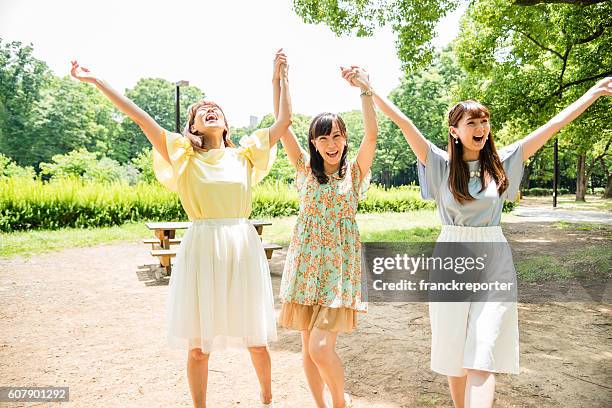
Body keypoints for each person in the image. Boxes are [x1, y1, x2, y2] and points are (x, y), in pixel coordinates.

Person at [368, 76, 612, 407]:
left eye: (484, 120)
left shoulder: (501, 160)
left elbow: (553, 125)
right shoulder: (439, 164)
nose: (481, 126)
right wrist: (370, 89)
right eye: (472, 121)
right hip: (451, 256)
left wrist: (592, 94)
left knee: (482, 351)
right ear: (455, 131)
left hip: (493, 257)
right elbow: (404, 122)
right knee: (453, 350)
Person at [70, 55, 293, 407]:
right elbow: (139, 116)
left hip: (241, 244)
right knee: (199, 346)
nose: (209, 110)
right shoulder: (182, 155)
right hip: (202, 245)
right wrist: (98, 81)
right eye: (200, 111)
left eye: (215, 108)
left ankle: (266, 398)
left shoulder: (245, 155)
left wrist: (279, 78)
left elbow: (284, 120)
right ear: (192, 126)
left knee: (256, 339)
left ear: (225, 123)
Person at [272, 54, 378, 408]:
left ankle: (339, 402)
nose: (331, 144)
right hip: (305, 267)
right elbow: (282, 124)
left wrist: (365, 90)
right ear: (314, 144)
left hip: (339, 271)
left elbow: (373, 135)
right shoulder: (303, 168)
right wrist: (281, 79)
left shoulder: (355, 173)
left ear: (345, 139)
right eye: (323, 138)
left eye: (336, 136)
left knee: (319, 347)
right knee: (307, 349)